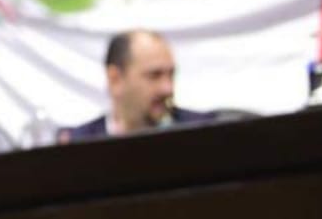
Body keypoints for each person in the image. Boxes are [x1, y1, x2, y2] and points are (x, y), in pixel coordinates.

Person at [57, 29, 215, 143]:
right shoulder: (77, 144)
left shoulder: (203, 133)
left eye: (171, 75)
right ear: (115, 79)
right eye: (154, 75)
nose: (168, 88)